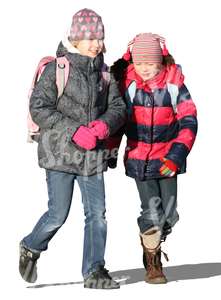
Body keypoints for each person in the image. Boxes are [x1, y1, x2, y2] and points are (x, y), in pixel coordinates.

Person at [19, 8, 126, 289]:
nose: (97, 44)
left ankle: (94, 270)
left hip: (92, 157)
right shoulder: (58, 69)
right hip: (59, 156)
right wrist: (75, 130)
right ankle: (31, 246)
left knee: (97, 214)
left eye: (100, 37)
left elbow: (118, 108)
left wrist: (103, 127)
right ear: (75, 40)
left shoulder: (104, 72)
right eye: (91, 38)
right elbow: (39, 107)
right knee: (57, 214)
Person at [111, 33, 198, 284]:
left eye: (150, 63)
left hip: (167, 160)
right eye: (140, 63)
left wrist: (176, 156)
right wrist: (111, 151)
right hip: (139, 160)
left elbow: (189, 121)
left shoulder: (173, 83)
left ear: (160, 61)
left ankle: (156, 234)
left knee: (169, 214)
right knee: (152, 212)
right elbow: (118, 122)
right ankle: (153, 261)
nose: (144, 68)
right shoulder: (127, 84)